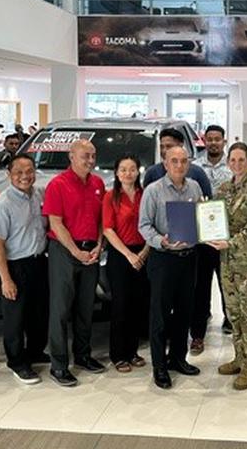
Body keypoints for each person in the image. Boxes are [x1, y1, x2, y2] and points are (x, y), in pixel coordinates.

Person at [43, 139, 107, 387]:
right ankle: (59, 364)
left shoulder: (98, 183)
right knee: (60, 310)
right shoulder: (57, 185)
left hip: (91, 251)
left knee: (85, 307)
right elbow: (55, 223)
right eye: (85, 156)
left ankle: (83, 355)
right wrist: (75, 252)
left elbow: (102, 220)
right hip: (64, 251)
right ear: (71, 156)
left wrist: (99, 246)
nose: (90, 160)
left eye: (92, 155)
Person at [138, 145, 203, 390]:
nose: (179, 165)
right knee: (160, 316)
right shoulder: (153, 191)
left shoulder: (194, 187)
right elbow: (144, 226)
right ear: (165, 164)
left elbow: (200, 218)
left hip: (188, 258)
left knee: (184, 311)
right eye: (174, 161)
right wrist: (160, 241)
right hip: (163, 259)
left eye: (183, 161)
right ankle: (159, 366)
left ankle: (178, 358)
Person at [209, 142, 247, 390]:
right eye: (232, 160)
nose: (236, 164)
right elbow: (214, 219)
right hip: (227, 262)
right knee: (233, 313)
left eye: (241, 160)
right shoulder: (223, 189)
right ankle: (239, 357)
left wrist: (229, 242)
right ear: (228, 163)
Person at [0, 154, 50, 385]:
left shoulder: (38, 195)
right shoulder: (2, 204)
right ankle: (17, 362)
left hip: (38, 261)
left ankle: (35, 352)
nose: (25, 176)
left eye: (29, 171)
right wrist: (5, 279)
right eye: (19, 172)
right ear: (9, 175)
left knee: (39, 312)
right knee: (16, 318)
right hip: (15, 266)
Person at [102, 153, 150, 372]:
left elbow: (154, 224)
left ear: (138, 172)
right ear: (117, 173)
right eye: (123, 169)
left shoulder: (145, 195)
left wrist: (144, 252)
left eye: (132, 169)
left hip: (144, 253)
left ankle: (132, 351)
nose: (128, 173)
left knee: (138, 304)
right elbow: (108, 229)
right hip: (120, 256)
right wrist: (129, 255)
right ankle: (118, 354)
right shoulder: (110, 197)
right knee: (120, 305)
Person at [191, 124, 233, 351]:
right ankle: (199, 327)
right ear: (204, 141)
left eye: (218, 139)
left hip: (227, 234)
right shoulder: (194, 167)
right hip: (201, 236)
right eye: (210, 139)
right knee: (202, 282)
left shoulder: (233, 165)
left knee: (227, 278)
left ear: (224, 141)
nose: (214, 143)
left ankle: (229, 317)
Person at [142, 128, 213, 198]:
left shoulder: (197, 173)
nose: (164, 150)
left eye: (169, 146)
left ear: (181, 145)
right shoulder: (152, 173)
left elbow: (207, 202)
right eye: (162, 147)